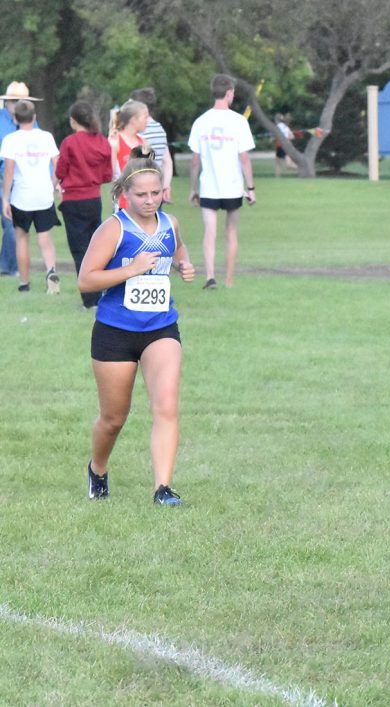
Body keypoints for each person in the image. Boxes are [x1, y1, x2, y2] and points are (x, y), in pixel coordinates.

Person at [77, 146, 196, 506]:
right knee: (114, 418)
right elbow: (86, 281)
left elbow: (179, 250)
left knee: (166, 407)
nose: (149, 201)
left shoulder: (170, 224)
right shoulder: (113, 229)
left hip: (161, 327)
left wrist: (184, 266)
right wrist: (130, 268)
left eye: (155, 194)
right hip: (115, 332)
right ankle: (97, 468)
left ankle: (163, 488)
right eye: (141, 195)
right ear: (124, 195)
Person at [188, 73, 256, 290]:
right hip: (233, 187)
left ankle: (210, 277)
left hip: (209, 187)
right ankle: (228, 280)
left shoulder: (201, 121)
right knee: (231, 232)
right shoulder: (238, 122)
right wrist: (251, 188)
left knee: (210, 233)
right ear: (228, 93)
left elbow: (195, 161)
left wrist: (192, 188)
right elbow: (244, 158)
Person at [56, 101, 113, 308]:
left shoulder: (70, 143)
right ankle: (104, 291)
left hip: (73, 200)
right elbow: (108, 174)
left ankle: (90, 300)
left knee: (80, 250)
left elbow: (60, 171)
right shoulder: (102, 142)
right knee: (96, 247)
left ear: (73, 121)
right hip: (94, 199)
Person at [0, 99, 61, 293]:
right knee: (45, 239)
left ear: (16, 118)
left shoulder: (10, 140)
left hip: (21, 197)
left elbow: (9, 171)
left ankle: (24, 282)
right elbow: (58, 165)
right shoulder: (47, 137)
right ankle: (51, 273)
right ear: (34, 117)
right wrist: (53, 184)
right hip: (43, 195)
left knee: (22, 239)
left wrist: (5, 198)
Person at [0, 81, 43, 277]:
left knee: (11, 223)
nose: (17, 104)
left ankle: (8, 266)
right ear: (8, 103)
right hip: (3, 175)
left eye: (21, 101)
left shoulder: (31, 124)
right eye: (15, 101)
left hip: (21, 179)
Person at [130, 87, 174, 204]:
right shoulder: (160, 129)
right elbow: (167, 161)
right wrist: (165, 186)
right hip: (156, 188)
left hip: (140, 190)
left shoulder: (138, 131)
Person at [108, 99, 148, 211]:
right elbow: (111, 174)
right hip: (123, 204)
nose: (147, 121)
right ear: (133, 120)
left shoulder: (144, 142)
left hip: (144, 204)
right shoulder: (116, 141)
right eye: (144, 117)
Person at [273, 113, 296, 177]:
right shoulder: (286, 127)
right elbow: (292, 136)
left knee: (282, 165)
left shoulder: (276, 127)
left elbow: (274, 138)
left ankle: (301, 168)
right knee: (279, 163)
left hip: (282, 147)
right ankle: (277, 178)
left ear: (276, 120)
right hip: (283, 146)